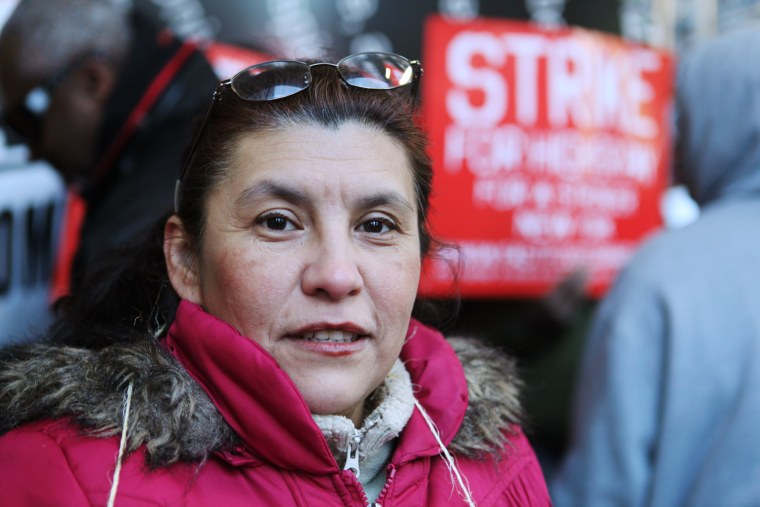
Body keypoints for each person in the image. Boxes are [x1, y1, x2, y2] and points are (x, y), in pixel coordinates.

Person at [0, 52, 551, 505]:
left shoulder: (495, 456)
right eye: (278, 222)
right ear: (186, 261)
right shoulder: (63, 477)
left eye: (377, 225)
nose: (336, 276)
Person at [551, 27, 760, 506]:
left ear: (721, 122)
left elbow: (603, 488)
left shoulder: (664, 276)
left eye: (685, 119)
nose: (677, 145)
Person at [0, 0, 218, 294]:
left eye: (26, 121)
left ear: (93, 81)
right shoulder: (195, 98)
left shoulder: (128, 249)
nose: (32, 151)